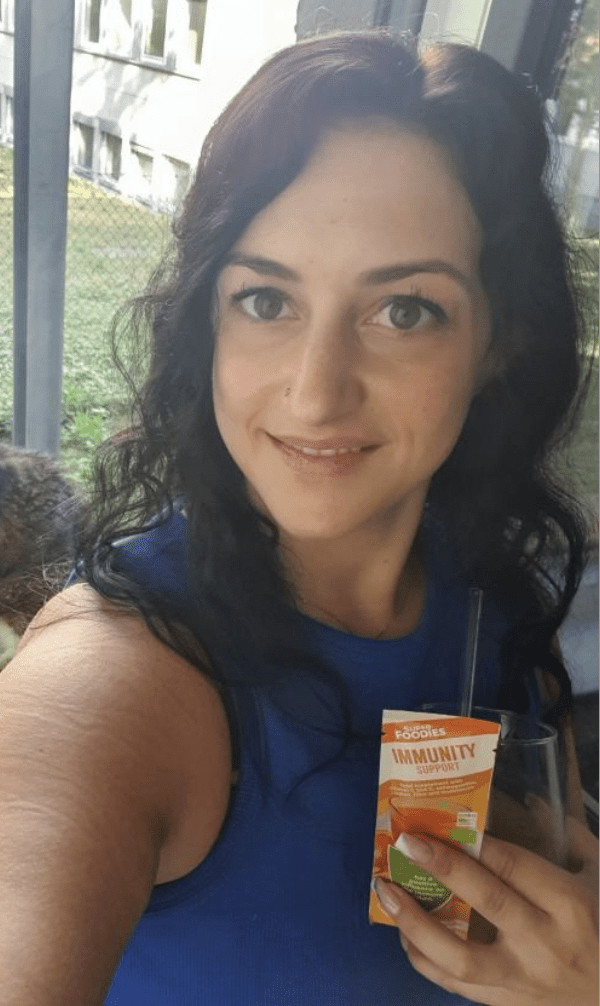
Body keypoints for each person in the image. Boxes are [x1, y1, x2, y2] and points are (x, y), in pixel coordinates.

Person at [0, 29, 597, 1006]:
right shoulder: (116, 679)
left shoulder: (497, 611)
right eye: (266, 299)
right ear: (208, 318)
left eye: (404, 310)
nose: (316, 395)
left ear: (501, 340)